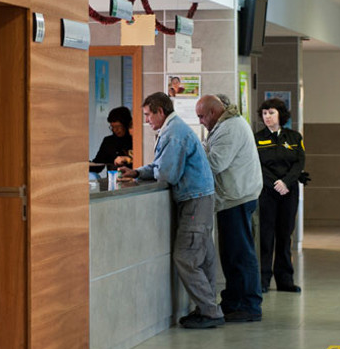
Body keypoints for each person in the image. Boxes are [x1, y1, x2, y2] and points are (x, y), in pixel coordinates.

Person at [119, 92, 222, 329]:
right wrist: (138, 172)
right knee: (203, 256)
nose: (146, 120)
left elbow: (167, 174)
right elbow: (160, 166)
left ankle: (209, 312)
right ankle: (208, 308)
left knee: (186, 257)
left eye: (147, 115)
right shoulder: (172, 130)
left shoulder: (174, 134)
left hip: (194, 201)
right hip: (198, 198)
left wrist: (150, 172)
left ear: (160, 112)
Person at [196, 95, 264, 322]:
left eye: (202, 116)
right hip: (234, 198)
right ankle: (234, 301)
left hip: (238, 198)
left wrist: (195, 151)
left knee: (240, 254)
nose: (200, 122)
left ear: (214, 112)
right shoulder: (225, 125)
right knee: (232, 254)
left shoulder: (230, 128)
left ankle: (249, 305)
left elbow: (216, 163)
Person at [254, 97, 304, 293]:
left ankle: (285, 280)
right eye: (265, 113)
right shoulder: (257, 138)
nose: (267, 117)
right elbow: (257, 164)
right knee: (266, 237)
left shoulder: (294, 137)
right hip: (267, 192)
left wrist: (286, 182)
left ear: (280, 115)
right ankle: (263, 280)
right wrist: (275, 183)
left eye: (271, 113)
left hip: (289, 192)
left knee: (285, 236)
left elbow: (299, 163)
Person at [91, 106, 133, 171]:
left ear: (126, 125)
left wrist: (127, 159)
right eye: (112, 127)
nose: (115, 130)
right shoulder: (108, 142)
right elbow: (98, 165)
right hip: (113, 179)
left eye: (118, 126)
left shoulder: (135, 140)